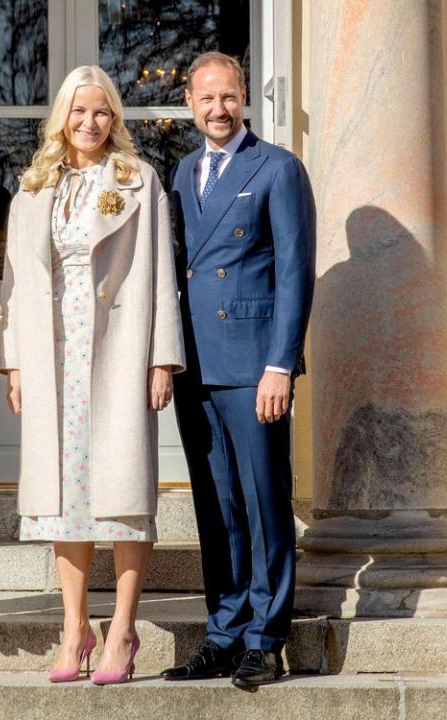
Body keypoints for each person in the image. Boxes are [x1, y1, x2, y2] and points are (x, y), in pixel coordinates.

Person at [0, 65, 185, 686]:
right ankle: (74, 626)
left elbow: (159, 270)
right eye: (78, 112)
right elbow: (17, 282)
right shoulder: (33, 187)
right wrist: (15, 361)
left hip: (119, 346)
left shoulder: (139, 181)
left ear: (115, 119)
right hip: (52, 352)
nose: (89, 123)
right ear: (61, 118)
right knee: (64, 498)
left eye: (101, 112)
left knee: (124, 491)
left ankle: (124, 628)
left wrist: (163, 357)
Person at [161, 52, 315, 690]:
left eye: (228, 97)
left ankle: (265, 636)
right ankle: (223, 632)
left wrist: (281, 364)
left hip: (254, 366)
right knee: (215, 506)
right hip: (195, 365)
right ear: (190, 104)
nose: (218, 109)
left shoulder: (278, 168)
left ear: (244, 98)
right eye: (206, 99)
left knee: (263, 504)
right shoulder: (181, 171)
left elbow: (295, 273)